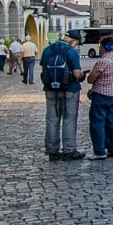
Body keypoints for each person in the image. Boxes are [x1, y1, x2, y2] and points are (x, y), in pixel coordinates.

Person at [41, 29, 86, 161]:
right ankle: (69, 150)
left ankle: (52, 150)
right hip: (70, 89)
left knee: (51, 119)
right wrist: (82, 75)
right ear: (73, 41)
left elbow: (43, 68)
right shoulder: (71, 52)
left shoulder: (48, 49)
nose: (76, 46)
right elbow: (77, 73)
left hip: (50, 89)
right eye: (77, 43)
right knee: (69, 119)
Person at [86, 36, 113, 159]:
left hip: (101, 95)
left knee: (97, 122)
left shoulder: (102, 61)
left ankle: (99, 151)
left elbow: (90, 79)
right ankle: (112, 148)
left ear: (104, 47)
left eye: (100, 46)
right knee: (111, 121)